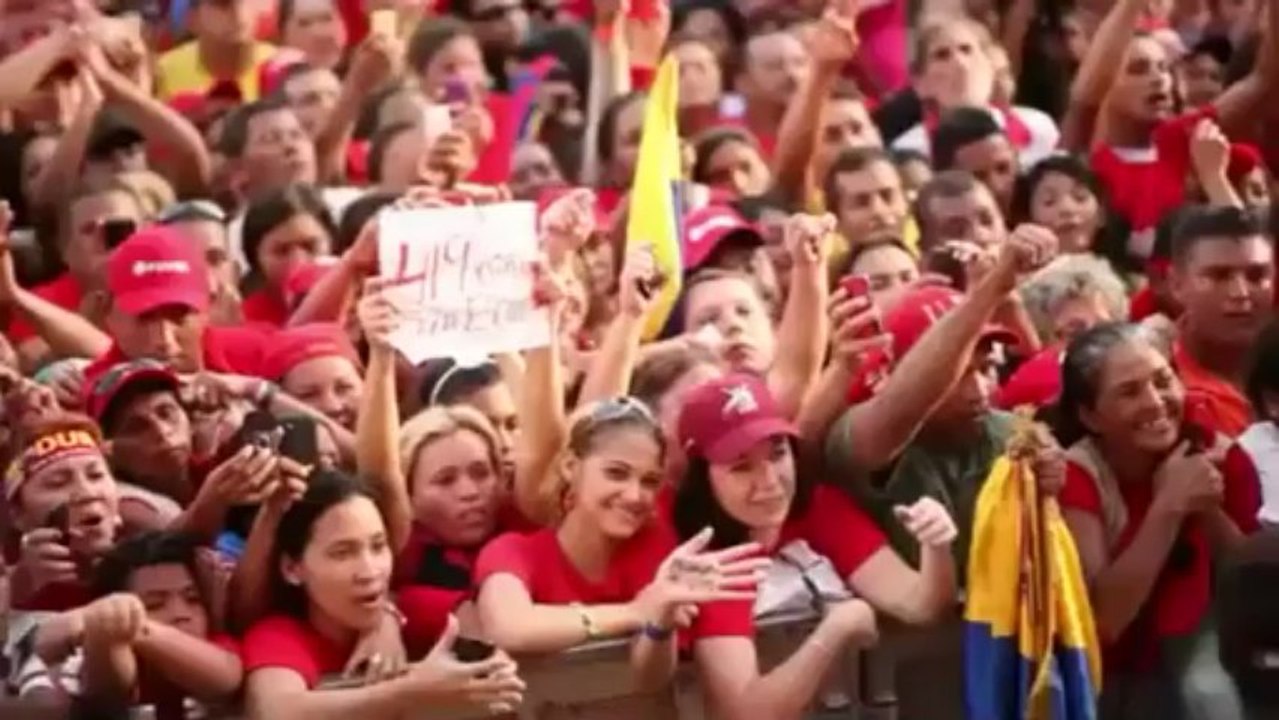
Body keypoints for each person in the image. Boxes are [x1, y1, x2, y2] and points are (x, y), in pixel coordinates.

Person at [672, 373, 956, 719]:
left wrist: (936, 545)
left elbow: (921, 604)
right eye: (741, 467)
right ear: (702, 478)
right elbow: (746, 713)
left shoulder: (820, 508)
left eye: (777, 454)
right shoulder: (709, 564)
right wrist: (836, 629)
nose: (770, 481)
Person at [1054, 322, 1259, 718]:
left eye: (1164, 380)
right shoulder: (1075, 476)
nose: (1155, 402)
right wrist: (1168, 506)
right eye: (1130, 392)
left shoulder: (1221, 455)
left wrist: (1206, 506)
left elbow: (1252, 584)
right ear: (1090, 416)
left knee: (1208, 692)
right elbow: (1102, 621)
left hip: (1210, 650)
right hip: (1104, 677)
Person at [239, 470, 527, 719]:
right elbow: (276, 712)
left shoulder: (410, 606)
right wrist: (414, 690)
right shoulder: (278, 635)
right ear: (292, 568)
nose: (369, 570)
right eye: (342, 553)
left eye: (378, 546)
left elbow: (489, 645)